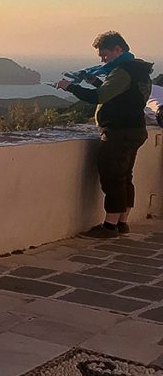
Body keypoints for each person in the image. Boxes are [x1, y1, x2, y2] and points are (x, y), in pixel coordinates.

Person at [55, 32, 153, 238]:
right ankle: (122, 222)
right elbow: (123, 95)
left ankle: (109, 226)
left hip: (119, 131)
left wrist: (70, 87)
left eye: (105, 55)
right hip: (135, 129)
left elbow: (98, 97)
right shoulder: (137, 69)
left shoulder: (122, 71)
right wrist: (95, 81)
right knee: (125, 176)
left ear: (118, 49)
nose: (102, 60)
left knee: (112, 177)